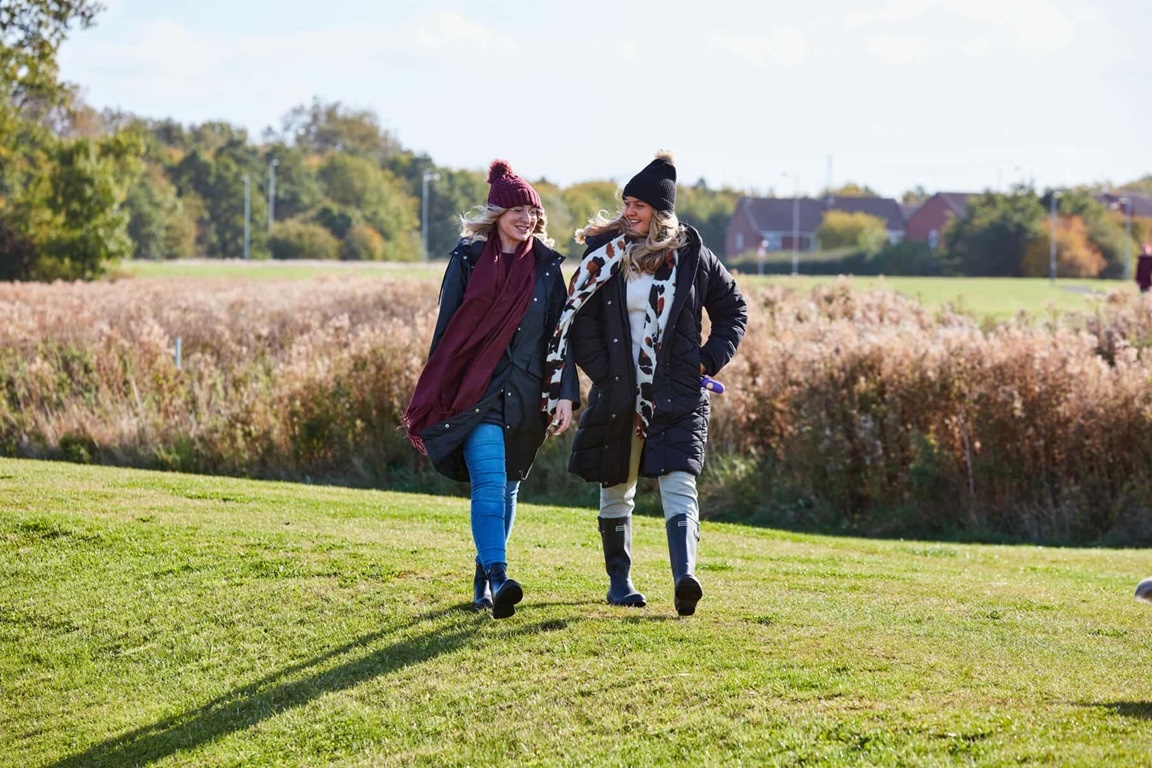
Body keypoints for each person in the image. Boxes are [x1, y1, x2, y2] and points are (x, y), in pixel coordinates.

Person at [544, 151, 747, 616]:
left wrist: (706, 361)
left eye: (639, 204)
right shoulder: (606, 256)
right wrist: (606, 371)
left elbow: (734, 310)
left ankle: (685, 579)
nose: (629, 211)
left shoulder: (693, 256)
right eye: (626, 202)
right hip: (620, 392)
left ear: (661, 210)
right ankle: (620, 583)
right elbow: (582, 323)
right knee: (618, 484)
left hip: (679, 391)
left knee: (680, 480)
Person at [403, 160, 577, 619]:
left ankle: (483, 579)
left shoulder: (545, 268)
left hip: (526, 395)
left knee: (508, 489)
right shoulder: (466, 260)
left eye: (532, 212)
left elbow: (561, 338)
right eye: (517, 210)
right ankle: (500, 576)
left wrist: (565, 393)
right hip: (476, 393)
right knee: (488, 479)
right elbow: (447, 333)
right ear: (496, 214)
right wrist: (435, 389)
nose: (527, 219)